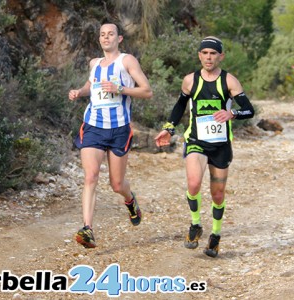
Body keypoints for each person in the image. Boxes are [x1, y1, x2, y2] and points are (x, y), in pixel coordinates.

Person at [155, 36, 254, 257]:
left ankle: (216, 236)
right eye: (205, 53)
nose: (209, 57)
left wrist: (233, 113)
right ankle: (195, 224)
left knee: (217, 194)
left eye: (213, 53)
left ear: (221, 56)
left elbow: (249, 109)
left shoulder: (229, 81)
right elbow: (180, 105)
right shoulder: (190, 80)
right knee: (193, 183)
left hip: (220, 145)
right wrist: (169, 128)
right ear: (199, 55)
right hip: (196, 141)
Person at [68, 20, 153, 248]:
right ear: (100, 39)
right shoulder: (94, 63)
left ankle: (130, 200)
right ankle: (88, 229)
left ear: (119, 39)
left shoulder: (127, 61)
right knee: (90, 177)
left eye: (111, 34)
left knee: (116, 184)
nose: (106, 38)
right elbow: (90, 85)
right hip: (93, 126)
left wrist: (121, 89)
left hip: (119, 129)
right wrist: (80, 92)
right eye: (103, 35)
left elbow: (147, 91)